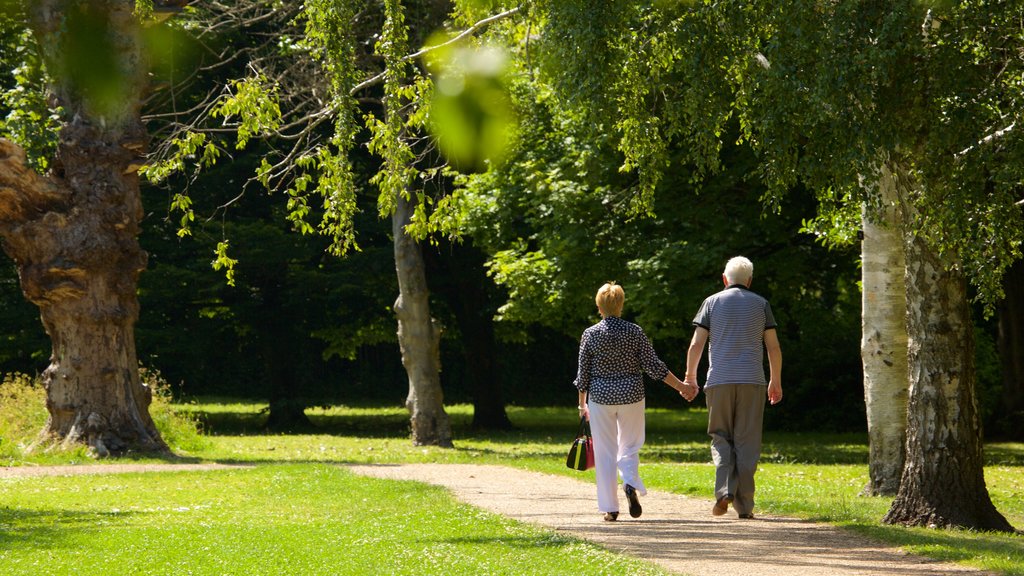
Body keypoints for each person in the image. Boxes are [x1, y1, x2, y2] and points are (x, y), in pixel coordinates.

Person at [573, 282, 697, 522]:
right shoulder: (634, 331)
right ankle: (629, 483)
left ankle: (610, 508)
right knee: (629, 445)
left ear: (599, 306)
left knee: (605, 452)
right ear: (621, 305)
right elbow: (654, 367)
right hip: (631, 395)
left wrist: (582, 405)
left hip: (601, 397)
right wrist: (681, 387)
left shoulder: (590, 334)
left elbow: (583, 374)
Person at [683, 256, 782, 520]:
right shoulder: (761, 304)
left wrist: (690, 377)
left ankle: (724, 490)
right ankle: (746, 507)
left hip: (719, 381)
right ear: (749, 280)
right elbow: (773, 347)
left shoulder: (711, 303)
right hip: (753, 381)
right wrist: (776, 380)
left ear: (725, 278)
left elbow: (696, 345)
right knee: (747, 443)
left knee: (720, 436)